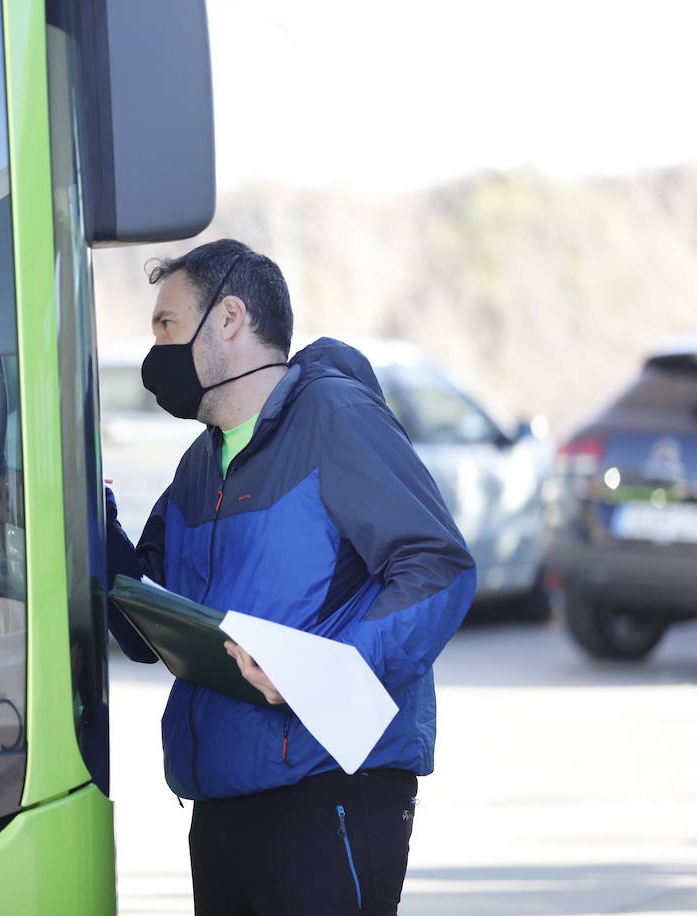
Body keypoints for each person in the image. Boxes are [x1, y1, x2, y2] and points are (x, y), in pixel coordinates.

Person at [105, 239, 475, 915]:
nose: (155, 351)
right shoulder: (200, 465)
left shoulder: (336, 419)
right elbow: (144, 620)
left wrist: (324, 673)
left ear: (229, 318)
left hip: (327, 795)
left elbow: (438, 568)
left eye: (166, 326)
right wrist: (91, 527)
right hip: (221, 806)